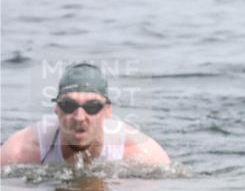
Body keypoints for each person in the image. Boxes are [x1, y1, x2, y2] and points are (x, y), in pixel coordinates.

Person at [0, 62, 170, 166]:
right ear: (56, 109)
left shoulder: (141, 154)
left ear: (108, 110)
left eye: (93, 107)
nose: (79, 117)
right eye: (68, 105)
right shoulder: (19, 152)